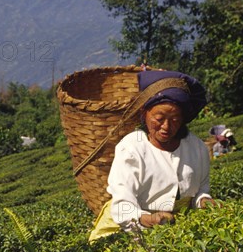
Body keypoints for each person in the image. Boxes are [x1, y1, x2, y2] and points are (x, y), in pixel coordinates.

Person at [90, 70, 217, 241]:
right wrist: (149, 219)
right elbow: (122, 203)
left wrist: (204, 201)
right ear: (144, 113)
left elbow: (200, 192)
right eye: (159, 118)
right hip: (126, 230)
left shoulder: (197, 148)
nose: (166, 126)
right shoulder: (132, 148)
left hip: (173, 231)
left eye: (174, 120)